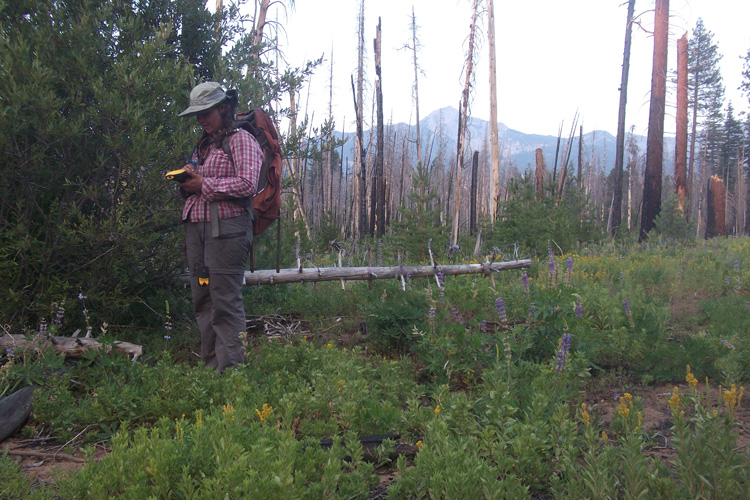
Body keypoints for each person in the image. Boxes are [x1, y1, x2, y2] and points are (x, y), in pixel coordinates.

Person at [177, 82, 262, 372]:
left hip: (227, 233)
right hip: (198, 232)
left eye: (206, 112)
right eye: (197, 115)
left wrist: (204, 183)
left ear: (223, 108)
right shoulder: (205, 145)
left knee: (225, 300)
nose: (200, 120)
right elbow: (201, 185)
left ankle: (232, 375)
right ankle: (213, 370)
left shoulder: (241, 139)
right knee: (203, 298)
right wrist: (188, 181)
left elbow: (248, 183)